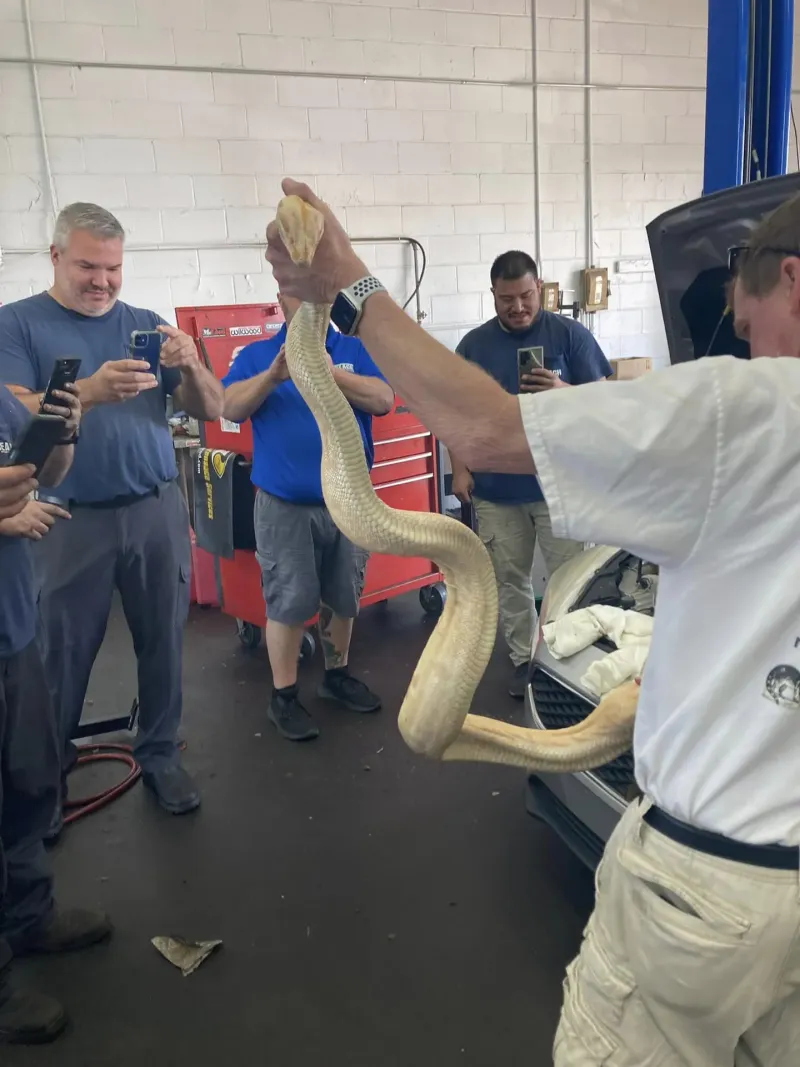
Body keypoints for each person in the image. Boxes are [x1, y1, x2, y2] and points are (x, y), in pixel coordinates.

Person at [267, 178, 800, 1065]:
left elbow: (481, 431)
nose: (748, 351)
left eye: (752, 327)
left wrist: (347, 287)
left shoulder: (754, 405)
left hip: (712, 887)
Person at [0, 202, 224, 821]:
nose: (102, 280)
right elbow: (14, 405)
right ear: (54, 258)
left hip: (154, 507)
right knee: (59, 654)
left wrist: (193, 362)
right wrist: (91, 391)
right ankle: (43, 781)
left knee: (162, 642)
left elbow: (213, 408)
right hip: (65, 516)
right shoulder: (17, 325)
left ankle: (159, 754)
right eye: (87, 266)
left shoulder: (144, 323)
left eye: (113, 268)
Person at [222, 293, 393, 742]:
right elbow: (231, 407)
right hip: (285, 505)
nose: (310, 303)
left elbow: (382, 399)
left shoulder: (353, 349)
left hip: (348, 500)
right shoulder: (259, 355)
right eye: (298, 294)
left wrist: (324, 370)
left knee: (343, 593)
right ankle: (284, 697)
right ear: (281, 300)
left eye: (319, 294)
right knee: (289, 600)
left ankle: (337, 677)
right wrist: (276, 374)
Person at [0, 384, 112, 1046]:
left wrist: (63, 432)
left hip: (14, 630)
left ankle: (29, 917)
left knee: (29, 786)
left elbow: (46, 472)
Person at [451, 251, 612, 698]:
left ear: (538, 288)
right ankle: (525, 660)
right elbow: (455, 414)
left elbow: (606, 403)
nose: (517, 306)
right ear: (493, 296)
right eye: (506, 299)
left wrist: (563, 391)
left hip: (558, 486)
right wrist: (458, 468)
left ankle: (563, 663)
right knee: (511, 579)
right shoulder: (474, 347)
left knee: (568, 579)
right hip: (497, 490)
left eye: (525, 295)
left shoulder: (570, 336)